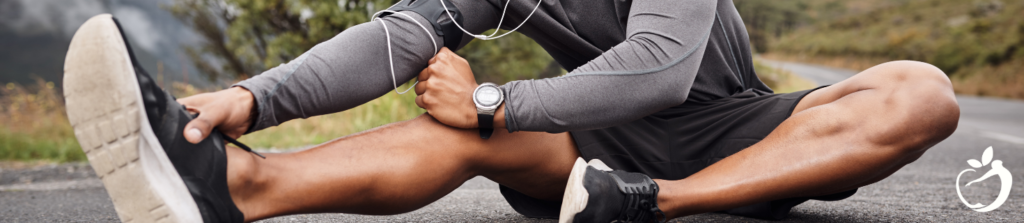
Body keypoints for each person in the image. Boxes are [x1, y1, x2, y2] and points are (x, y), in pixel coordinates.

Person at [62, 0, 960, 222]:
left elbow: (660, 70)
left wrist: (493, 99)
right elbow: (393, 40)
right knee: (458, 132)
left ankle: (653, 203)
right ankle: (236, 188)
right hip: (600, 143)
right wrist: (255, 98)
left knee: (921, 89)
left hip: (743, 131)